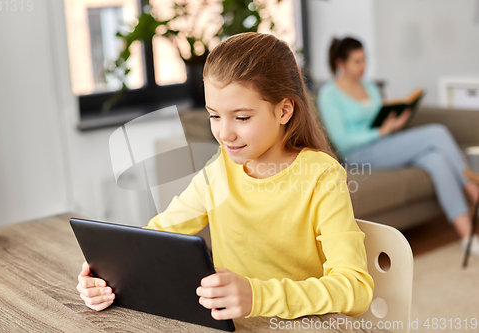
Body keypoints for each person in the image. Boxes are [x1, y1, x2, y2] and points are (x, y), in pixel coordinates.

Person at [76, 32, 374, 320]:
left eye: (242, 117)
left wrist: (257, 296)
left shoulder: (321, 174)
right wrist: (109, 274)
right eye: (214, 116)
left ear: (284, 110)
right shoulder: (222, 168)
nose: (224, 133)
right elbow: (160, 235)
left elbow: (356, 288)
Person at [317, 37, 479, 257]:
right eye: (357, 61)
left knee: (436, 159)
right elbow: (342, 142)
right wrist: (380, 132)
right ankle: (472, 187)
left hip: (385, 146)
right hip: (357, 154)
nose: (363, 66)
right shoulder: (330, 94)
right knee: (437, 132)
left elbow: (380, 120)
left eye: (364, 59)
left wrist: (394, 125)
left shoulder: (370, 87)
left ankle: (467, 236)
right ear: (340, 64)